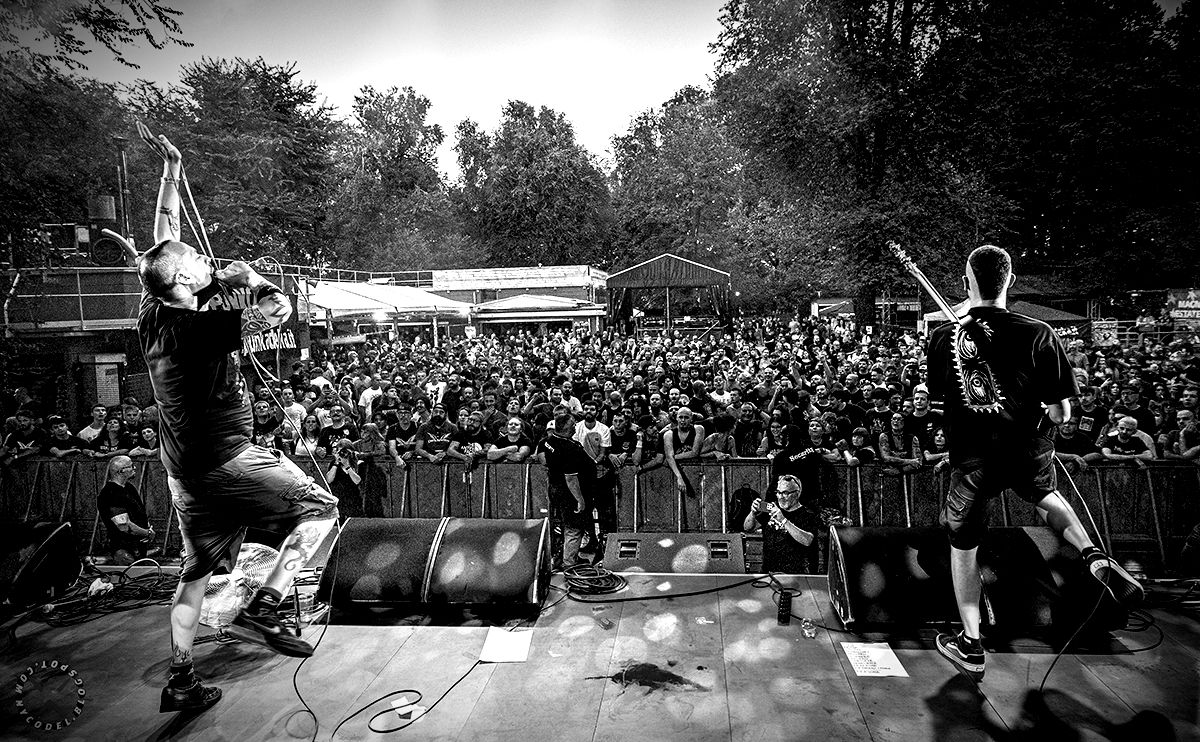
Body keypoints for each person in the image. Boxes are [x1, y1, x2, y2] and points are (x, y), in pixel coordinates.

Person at [136, 129, 338, 714]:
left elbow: (164, 240)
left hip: (184, 474)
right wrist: (249, 279)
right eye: (198, 262)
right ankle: (267, 605)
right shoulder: (200, 330)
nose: (205, 260)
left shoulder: (152, 310)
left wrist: (172, 171)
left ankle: (181, 679)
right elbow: (278, 310)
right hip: (226, 460)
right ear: (182, 281)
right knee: (320, 511)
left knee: (195, 574)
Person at [927, 245, 1142, 682]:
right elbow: (1062, 414)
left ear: (966, 283)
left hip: (973, 458)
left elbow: (937, 404)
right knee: (1046, 494)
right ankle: (1091, 552)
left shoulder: (944, 336)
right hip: (1028, 448)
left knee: (964, 546)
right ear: (1009, 281)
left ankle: (971, 644)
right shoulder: (1040, 333)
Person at [537, 412, 593, 568]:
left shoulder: (548, 441)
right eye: (573, 424)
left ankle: (562, 558)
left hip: (555, 488)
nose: (575, 426)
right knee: (573, 528)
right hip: (568, 493)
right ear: (567, 428)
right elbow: (571, 479)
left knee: (562, 525)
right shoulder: (569, 448)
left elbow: (544, 461)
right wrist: (580, 500)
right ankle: (569, 563)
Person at [743, 474, 819, 573]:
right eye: (778, 492)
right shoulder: (772, 508)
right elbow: (747, 528)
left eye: (785, 493)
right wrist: (752, 513)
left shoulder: (808, 514)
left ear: (797, 493)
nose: (781, 497)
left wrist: (783, 520)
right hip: (768, 572)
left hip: (795, 574)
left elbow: (808, 540)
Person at [98, 456, 156, 565]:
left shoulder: (129, 487)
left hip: (138, 546)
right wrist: (147, 533)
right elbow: (124, 526)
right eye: (131, 466)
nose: (134, 468)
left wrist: (147, 529)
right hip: (124, 549)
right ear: (121, 471)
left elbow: (139, 511)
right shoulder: (110, 493)